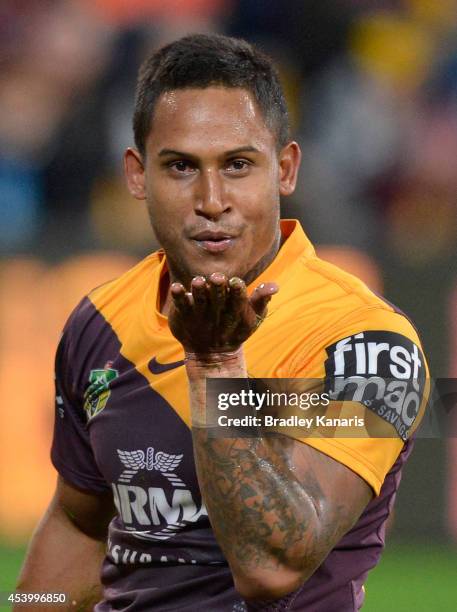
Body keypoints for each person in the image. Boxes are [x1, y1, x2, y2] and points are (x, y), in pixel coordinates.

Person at [16, 34, 428, 611]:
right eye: (181, 167)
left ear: (284, 170)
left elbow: (272, 566)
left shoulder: (368, 344)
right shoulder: (101, 321)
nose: (212, 199)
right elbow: (79, 523)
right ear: (137, 176)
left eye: (237, 165)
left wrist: (214, 363)